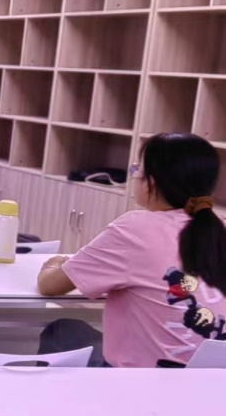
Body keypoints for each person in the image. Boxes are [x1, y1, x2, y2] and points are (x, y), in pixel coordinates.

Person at [37, 132, 226, 367]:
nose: (135, 174)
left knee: (62, 330)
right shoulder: (219, 227)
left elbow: (50, 286)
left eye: (138, 169)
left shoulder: (135, 228)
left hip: (142, 381)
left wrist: (52, 264)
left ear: (151, 182)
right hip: (212, 382)